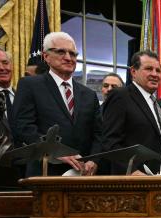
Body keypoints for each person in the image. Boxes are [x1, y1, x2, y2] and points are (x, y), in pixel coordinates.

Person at [12, 31, 102, 176]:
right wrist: (55, 151)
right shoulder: (30, 85)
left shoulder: (89, 95)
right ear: (46, 56)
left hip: (83, 175)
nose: (68, 58)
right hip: (45, 172)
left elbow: (99, 133)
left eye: (73, 54)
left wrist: (94, 160)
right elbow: (23, 127)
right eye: (61, 52)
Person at [103, 50, 161, 175]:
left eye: (158, 70)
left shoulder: (158, 104)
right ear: (133, 72)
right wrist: (132, 171)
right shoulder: (120, 96)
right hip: (132, 182)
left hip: (160, 177)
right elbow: (110, 142)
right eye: (149, 69)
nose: (155, 74)